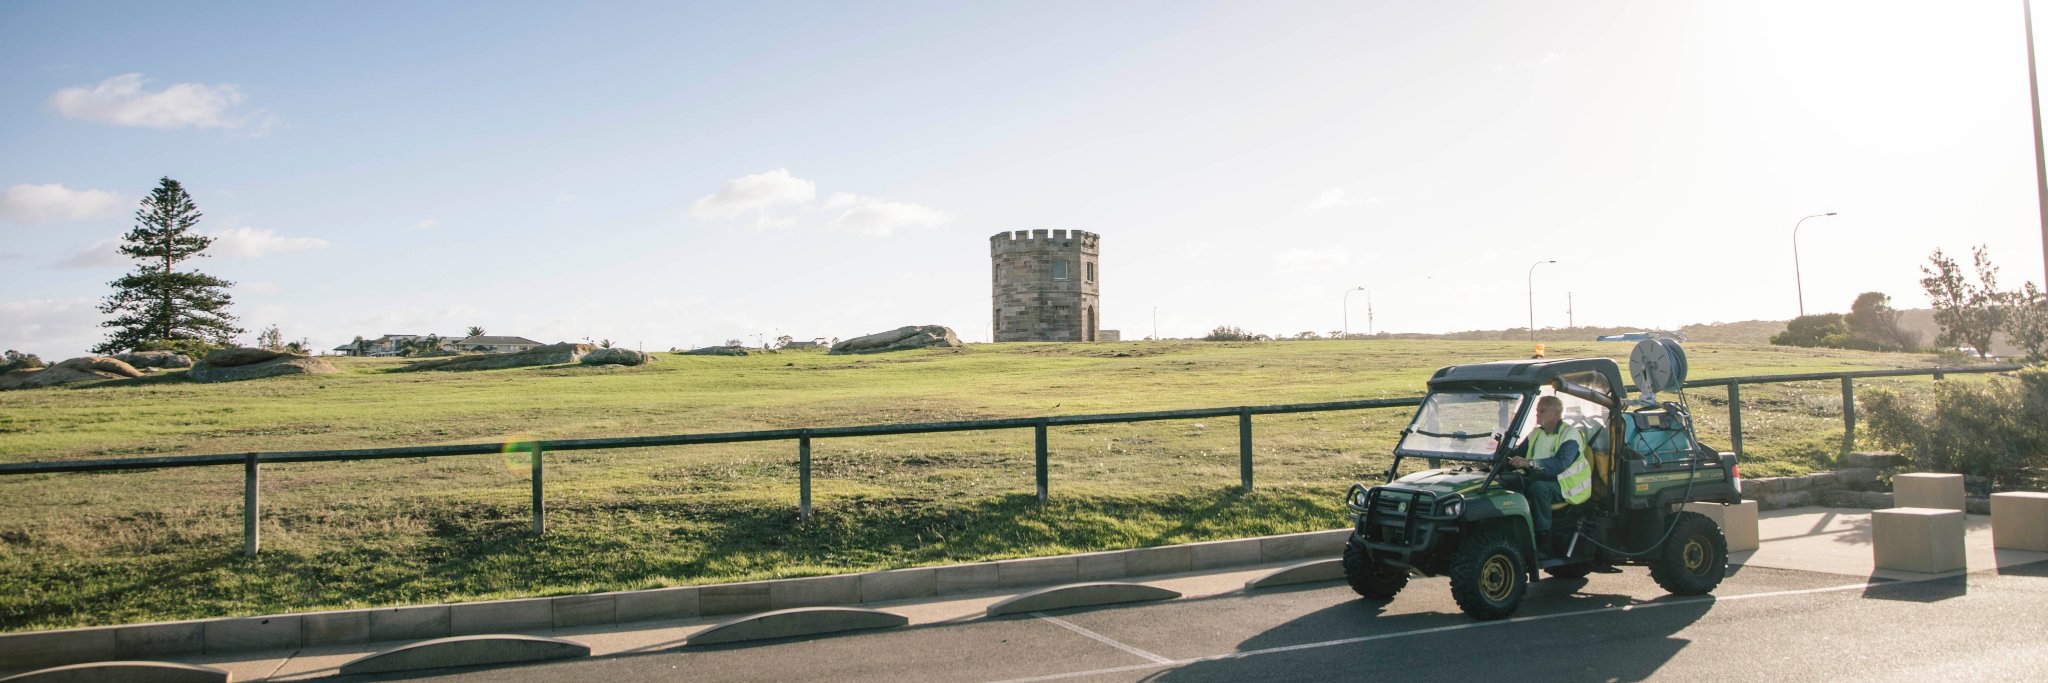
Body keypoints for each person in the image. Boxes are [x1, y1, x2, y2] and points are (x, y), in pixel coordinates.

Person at [1505, 395, 1592, 554]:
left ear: (1557, 413)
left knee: (1539, 489)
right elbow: (1518, 454)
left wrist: (1529, 463)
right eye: (1537, 410)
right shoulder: (1536, 433)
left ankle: (1544, 540)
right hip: (1545, 478)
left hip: (1569, 486)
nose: (1537, 414)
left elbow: (1560, 464)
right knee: (1509, 482)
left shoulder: (1570, 435)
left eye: (1542, 411)